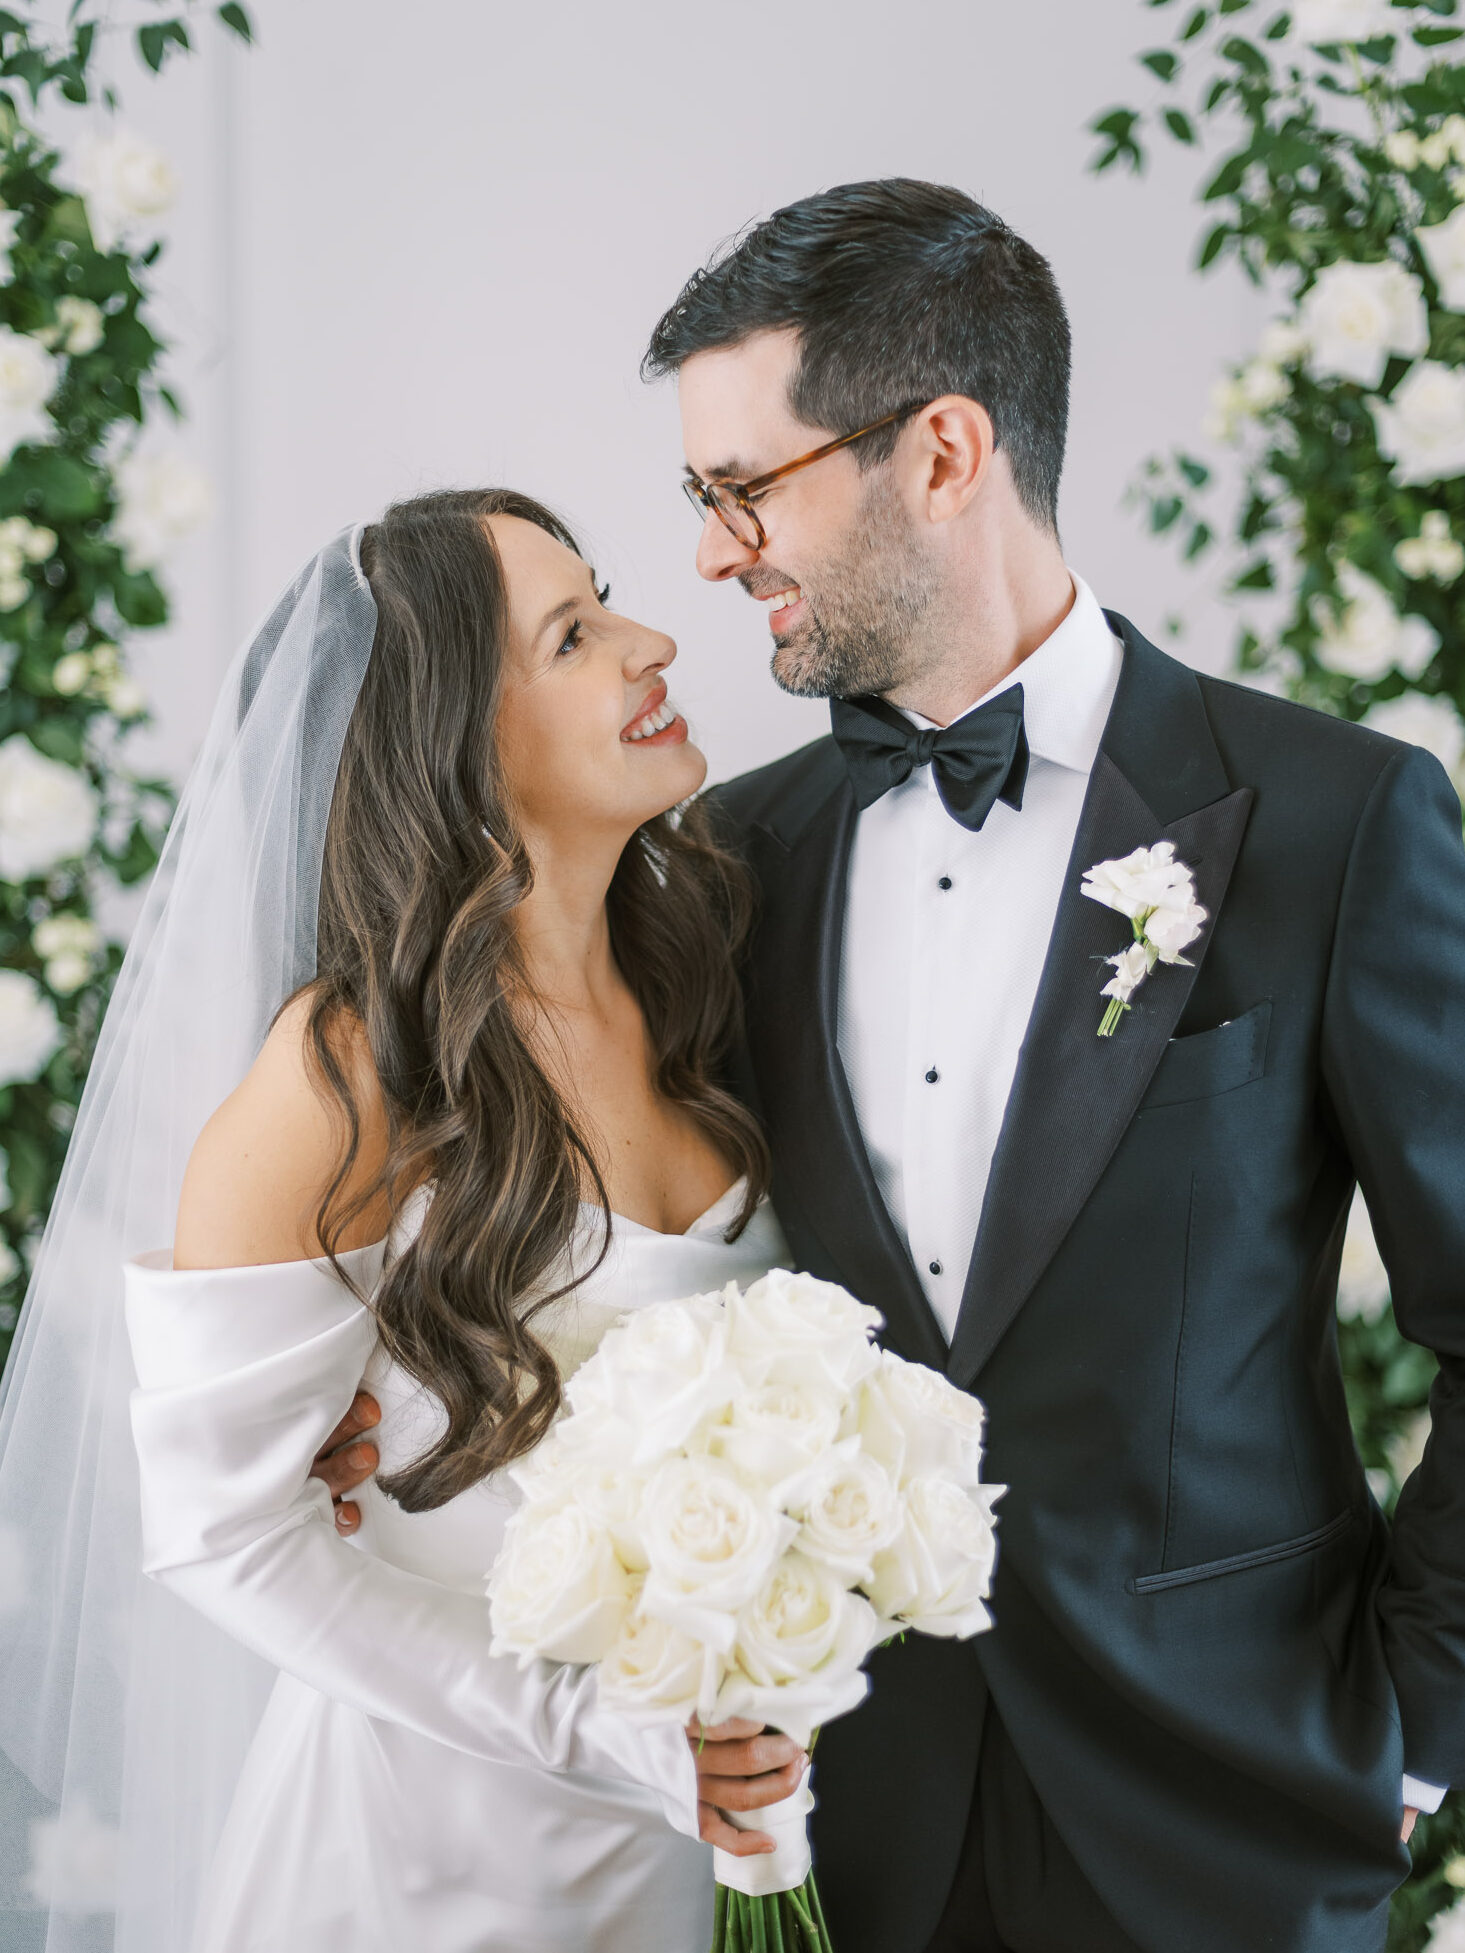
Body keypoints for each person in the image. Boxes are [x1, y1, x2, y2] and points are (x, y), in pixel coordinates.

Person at [630, 176, 1465, 1953]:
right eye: (697, 497)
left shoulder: (1337, 818)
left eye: (741, 488)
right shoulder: (727, 859)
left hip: (1232, 1814)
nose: (713, 553)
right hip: (850, 1818)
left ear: (940, 449)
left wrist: (1408, 1743)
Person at [0, 490, 805, 1953]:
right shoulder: (346, 1073)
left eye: (606, 600)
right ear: (457, 746)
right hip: (419, 1863)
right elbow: (226, 1538)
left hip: (698, 1834)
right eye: (575, 636)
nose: (653, 641)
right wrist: (601, 1726)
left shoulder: (712, 977)